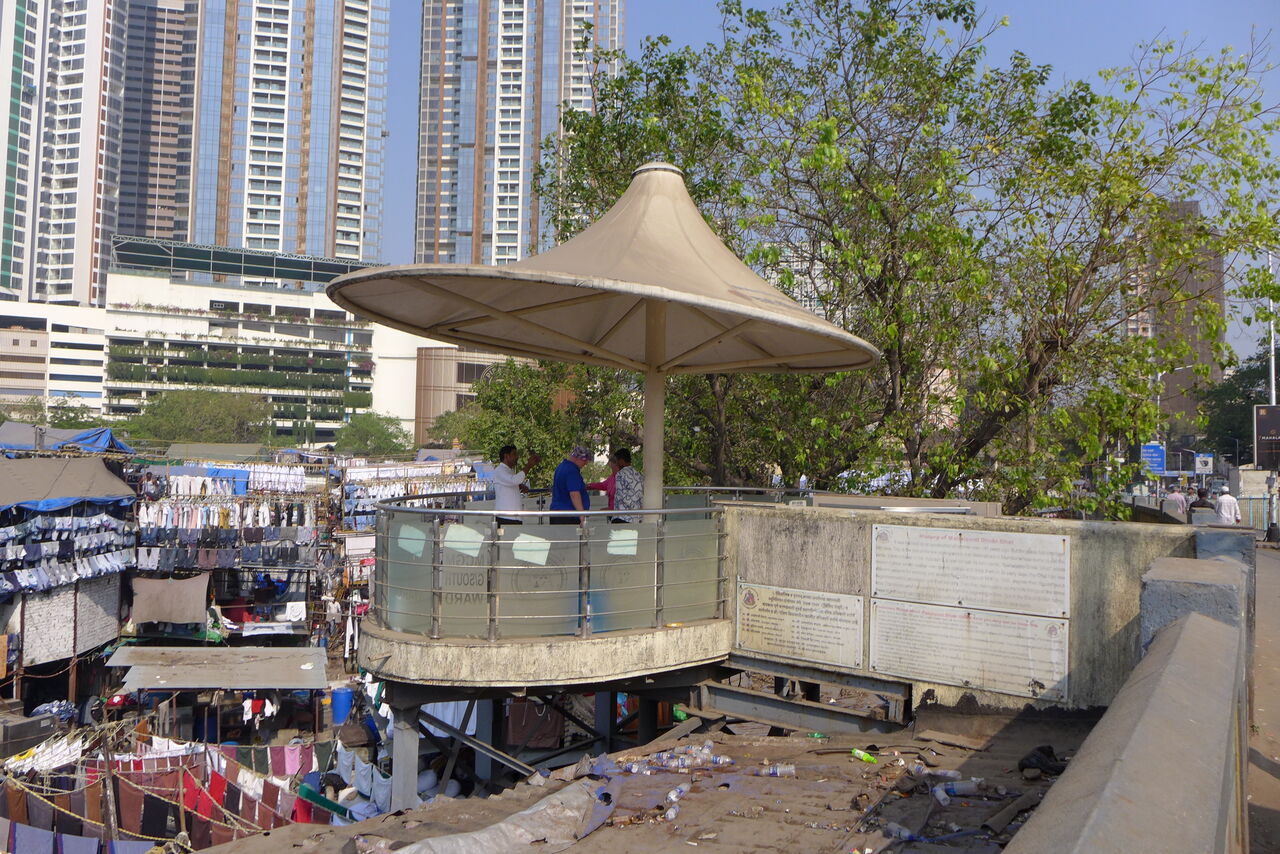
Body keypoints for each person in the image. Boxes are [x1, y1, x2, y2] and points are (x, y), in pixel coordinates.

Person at [493, 444, 539, 525]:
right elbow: (515, 480)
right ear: (506, 456)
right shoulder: (499, 470)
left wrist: (519, 486)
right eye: (514, 454)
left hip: (513, 517)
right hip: (505, 517)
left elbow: (511, 482)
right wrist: (528, 466)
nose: (517, 457)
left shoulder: (509, 471)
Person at [550, 445, 591, 524]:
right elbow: (574, 494)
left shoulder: (561, 467)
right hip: (569, 515)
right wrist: (581, 515)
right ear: (578, 458)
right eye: (585, 460)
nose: (586, 463)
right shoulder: (572, 471)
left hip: (558, 513)